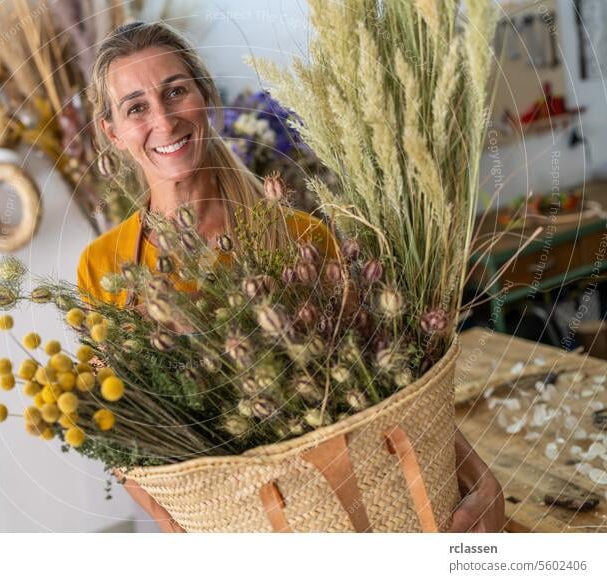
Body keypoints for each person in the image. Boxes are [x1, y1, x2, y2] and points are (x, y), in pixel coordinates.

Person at [77, 21, 504, 533]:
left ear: (205, 97)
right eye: (136, 107)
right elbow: (122, 430)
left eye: (175, 91)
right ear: (113, 132)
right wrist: (179, 530)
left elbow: (396, 380)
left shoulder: (300, 239)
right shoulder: (102, 268)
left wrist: (478, 476)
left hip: (342, 510)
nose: (164, 120)